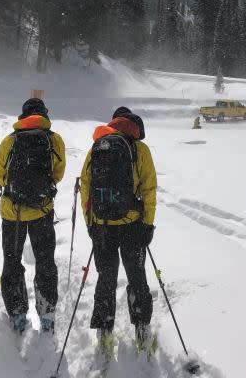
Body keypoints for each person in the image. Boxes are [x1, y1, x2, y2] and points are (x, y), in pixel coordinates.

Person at [80, 106, 157, 354]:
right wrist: (148, 224)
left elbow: (86, 189)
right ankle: (142, 329)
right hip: (133, 224)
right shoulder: (140, 149)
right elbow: (149, 190)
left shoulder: (99, 147)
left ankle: (104, 333)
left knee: (106, 278)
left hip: (103, 226)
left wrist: (90, 222)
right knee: (137, 276)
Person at [0, 97, 66, 333]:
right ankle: (46, 315)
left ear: (22, 117)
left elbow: (1, 177)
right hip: (41, 212)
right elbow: (58, 174)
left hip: (12, 213)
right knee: (45, 262)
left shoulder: (10, 141)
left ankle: (17, 314)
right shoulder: (54, 140)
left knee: (12, 261)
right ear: (45, 115)